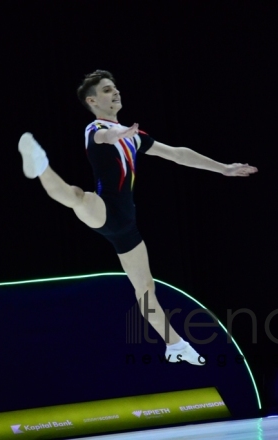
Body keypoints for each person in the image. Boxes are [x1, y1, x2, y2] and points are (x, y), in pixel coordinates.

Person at [18, 70, 258, 366]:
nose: (115, 92)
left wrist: (223, 168)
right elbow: (105, 136)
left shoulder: (135, 137)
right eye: (107, 90)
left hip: (127, 226)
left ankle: (176, 344)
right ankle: (40, 166)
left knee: (145, 290)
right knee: (77, 197)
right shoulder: (94, 129)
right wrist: (118, 133)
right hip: (104, 209)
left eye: (115, 88)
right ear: (92, 100)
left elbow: (177, 154)